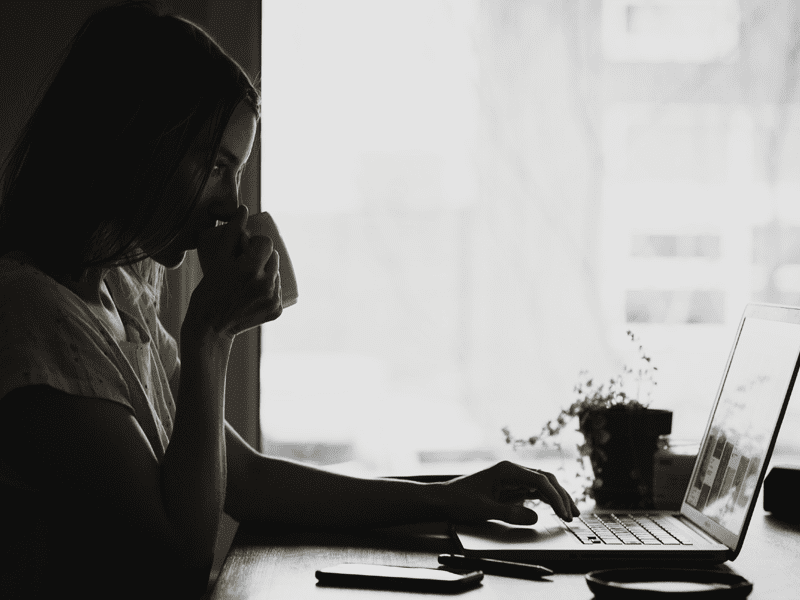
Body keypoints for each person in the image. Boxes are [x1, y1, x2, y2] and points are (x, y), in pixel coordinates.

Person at [0, 1, 580, 598]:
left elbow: (244, 477)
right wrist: (210, 336)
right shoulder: (32, 320)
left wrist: (450, 496)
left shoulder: (118, 299)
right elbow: (170, 566)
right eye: (218, 165)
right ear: (138, 142)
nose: (232, 205)